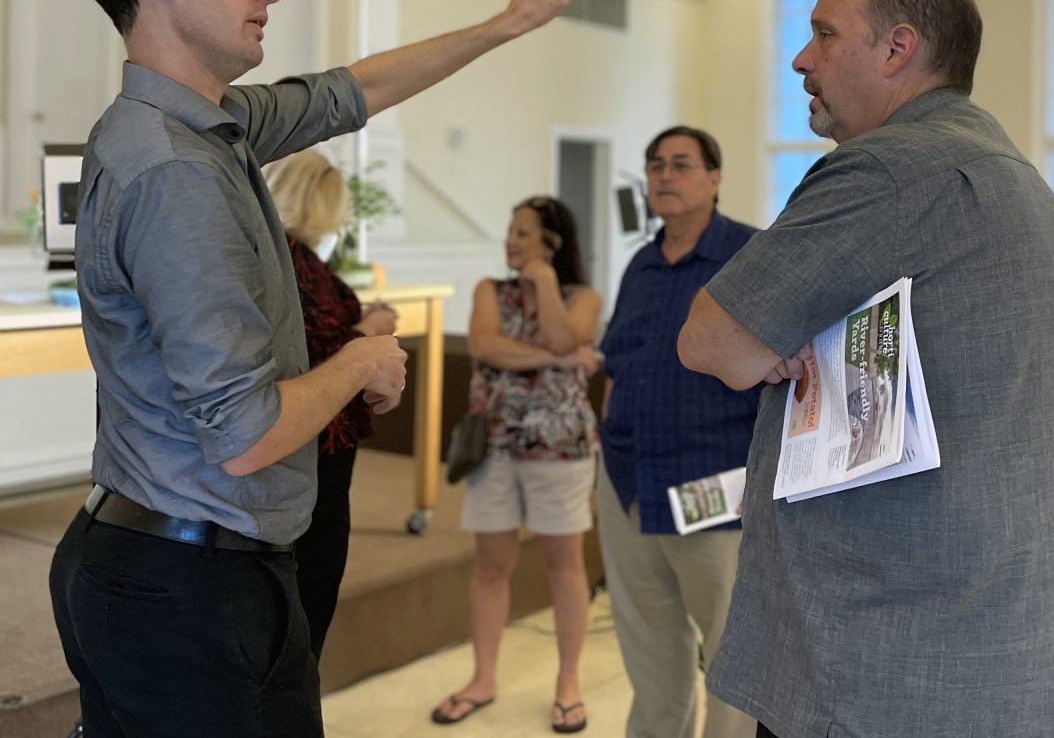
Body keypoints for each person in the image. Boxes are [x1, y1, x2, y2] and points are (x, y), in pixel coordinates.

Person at [49, 0, 583, 738]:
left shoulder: (194, 125)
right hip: (191, 592)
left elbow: (347, 93)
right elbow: (246, 430)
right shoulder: (177, 169)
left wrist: (506, 24)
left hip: (157, 565)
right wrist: (360, 360)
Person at [678, 0, 1054, 738]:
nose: (802, 60)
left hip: (890, 659)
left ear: (898, 49)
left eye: (824, 35)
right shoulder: (1010, 170)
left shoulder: (888, 168)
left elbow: (712, 343)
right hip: (999, 638)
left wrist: (774, 337)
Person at [597, 126, 758, 738]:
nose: (664, 176)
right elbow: (617, 362)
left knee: (730, 661)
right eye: (656, 165)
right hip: (628, 485)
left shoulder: (751, 256)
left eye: (681, 165)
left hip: (715, 490)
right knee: (650, 655)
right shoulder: (640, 262)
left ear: (714, 179)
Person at [433, 196, 601, 733]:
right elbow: (484, 346)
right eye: (509, 231)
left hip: (562, 449)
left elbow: (563, 333)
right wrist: (559, 359)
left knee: (564, 567)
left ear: (551, 243)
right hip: (496, 447)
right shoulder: (490, 291)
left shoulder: (585, 297)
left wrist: (544, 285)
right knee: (490, 566)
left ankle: (567, 685)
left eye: (523, 234)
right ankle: (482, 679)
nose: (509, 241)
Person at [263, 149, 398, 658]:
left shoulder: (276, 259)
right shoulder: (294, 262)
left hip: (298, 455)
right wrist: (373, 329)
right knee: (304, 612)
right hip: (314, 457)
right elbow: (320, 359)